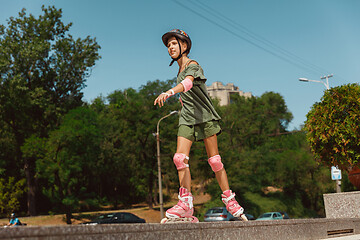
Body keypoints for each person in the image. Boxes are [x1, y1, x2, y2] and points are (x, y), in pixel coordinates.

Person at [154, 29, 247, 222]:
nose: (170, 47)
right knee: (179, 159)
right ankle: (185, 203)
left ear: (184, 46)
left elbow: (188, 84)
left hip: (204, 116)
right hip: (187, 117)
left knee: (214, 161)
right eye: (168, 45)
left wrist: (170, 92)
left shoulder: (193, 65)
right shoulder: (178, 70)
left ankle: (230, 200)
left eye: (174, 43)